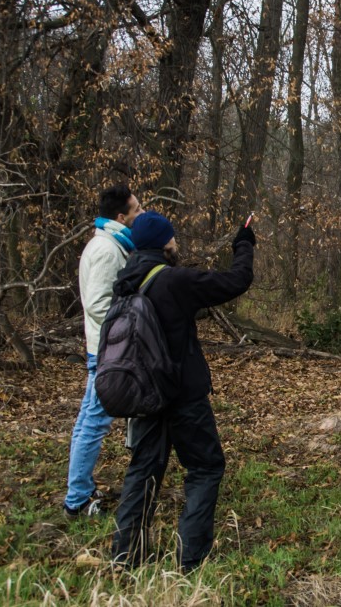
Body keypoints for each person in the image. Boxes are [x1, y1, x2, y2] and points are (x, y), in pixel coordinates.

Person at [111, 211, 255, 572]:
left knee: (143, 472)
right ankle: (190, 561)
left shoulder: (126, 280)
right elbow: (236, 281)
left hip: (143, 396)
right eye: (172, 238)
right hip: (182, 398)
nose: (176, 243)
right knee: (205, 468)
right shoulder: (174, 280)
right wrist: (244, 243)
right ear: (163, 242)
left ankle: (124, 558)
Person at [64, 184, 143, 518]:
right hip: (108, 349)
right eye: (137, 209)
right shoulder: (107, 250)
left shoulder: (111, 244)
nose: (141, 213)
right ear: (121, 216)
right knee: (95, 421)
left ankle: (79, 487)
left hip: (106, 345)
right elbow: (97, 303)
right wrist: (133, 318)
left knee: (89, 419)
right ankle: (77, 500)